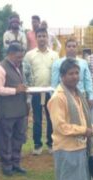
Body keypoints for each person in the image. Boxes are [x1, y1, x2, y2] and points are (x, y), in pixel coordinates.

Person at [48, 58, 93, 180]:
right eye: (71, 74)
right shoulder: (58, 97)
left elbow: (83, 119)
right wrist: (85, 130)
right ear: (62, 76)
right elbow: (60, 126)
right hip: (65, 147)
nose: (75, 77)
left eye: (77, 73)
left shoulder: (78, 94)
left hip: (80, 145)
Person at [0, 42, 28, 177]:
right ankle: (6, 165)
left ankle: (16, 163)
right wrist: (15, 90)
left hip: (20, 109)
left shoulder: (19, 66)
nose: (20, 60)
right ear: (10, 54)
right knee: (6, 138)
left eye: (21, 57)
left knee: (18, 137)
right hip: (6, 110)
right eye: (18, 57)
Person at [24, 27, 59, 155]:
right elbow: (26, 74)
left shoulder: (54, 55)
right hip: (35, 92)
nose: (42, 38)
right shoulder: (29, 55)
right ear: (36, 38)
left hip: (51, 92)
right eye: (39, 36)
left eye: (44, 36)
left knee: (51, 119)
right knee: (37, 119)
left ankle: (50, 143)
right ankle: (37, 145)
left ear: (47, 38)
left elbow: (57, 74)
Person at [51, 38, 93, 106]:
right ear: (65, 48)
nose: (71, 48)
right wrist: (53, 97)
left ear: (77, 48)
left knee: (81, 116)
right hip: (63, 96)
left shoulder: (83, 63)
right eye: (69, 46)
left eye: (74, 46)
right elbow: (54, 83)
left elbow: (88, 81)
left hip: (80, 96)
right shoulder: (57, 63)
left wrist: (91, 97)